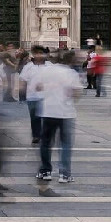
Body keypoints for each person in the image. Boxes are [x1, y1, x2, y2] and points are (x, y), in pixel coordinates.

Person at [32, 50, 84, 186]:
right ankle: (64, 174)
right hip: (66, 112)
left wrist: (49, 89)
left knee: (46, 142)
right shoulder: (71, 73)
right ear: (69, 61)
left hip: (48, 110)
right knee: (65, 144)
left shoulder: (46, 71)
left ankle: (45, 171)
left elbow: (37, 87)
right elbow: (77, 92)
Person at [20, 46, 49, 145]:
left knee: (46, 117)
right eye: (37, 53)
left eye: (41, 53)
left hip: (46, 97)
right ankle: (36, 135)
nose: (39, 55)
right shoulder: (28, 66)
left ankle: (45, 134)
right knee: (34, 118)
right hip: (32, 96)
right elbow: (23, 80)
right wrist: (22, 95)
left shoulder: (50, 66)